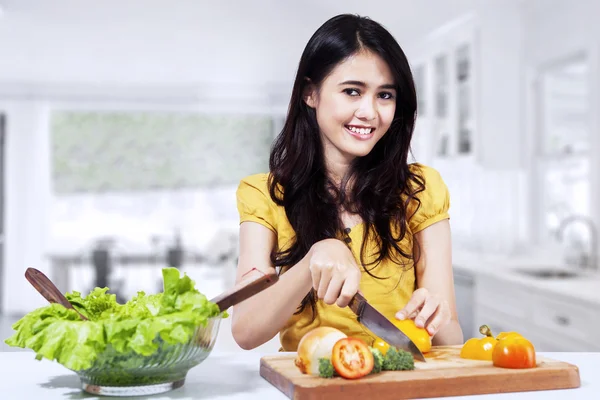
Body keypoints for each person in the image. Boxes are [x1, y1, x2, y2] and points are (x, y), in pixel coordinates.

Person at [231, 14, 464, 352]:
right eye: (352, 91)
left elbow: (451, 338)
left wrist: (435, 317)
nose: (370, 112)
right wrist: (314, 259)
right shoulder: (265, 195)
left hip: (399, 381)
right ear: (311, 93)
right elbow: (245, 330)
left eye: (385, 95)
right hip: (314, 381)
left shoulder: (421, 189)